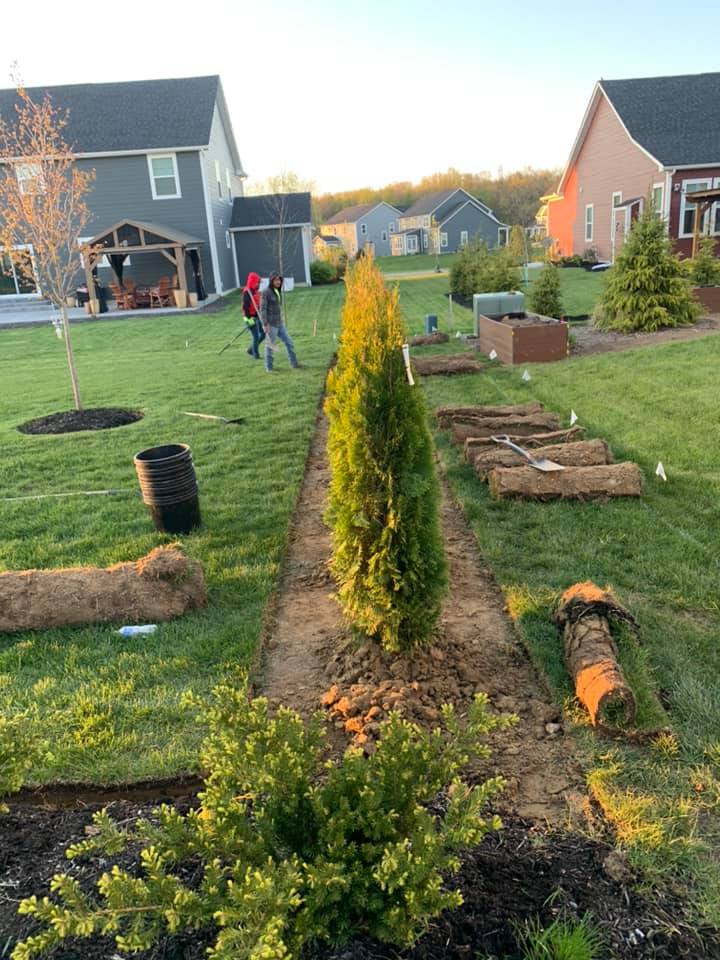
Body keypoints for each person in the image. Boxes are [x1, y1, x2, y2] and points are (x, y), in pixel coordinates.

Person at [261, 273, 301, 372]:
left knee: (289, 342)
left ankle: (294, 363)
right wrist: (265, 324)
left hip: (280, 323)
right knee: (270, 346)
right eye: (275, 280)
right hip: (271, 325)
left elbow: (276, 306)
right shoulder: (266, 292)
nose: (278, 282)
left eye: (279, 280)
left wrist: (281, 316)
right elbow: (263, 309)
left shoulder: (277, 291)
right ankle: (269, 368)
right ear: (271, 281)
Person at [242, 271, 265, 359]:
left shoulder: (256, 291)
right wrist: (250, 320)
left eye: (259, 282)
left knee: (263, 334)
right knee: (255, 336)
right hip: (249, 317)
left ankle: (251, 349)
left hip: (257, 315)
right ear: (253, 282)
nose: (258, 284)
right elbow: (245, 308)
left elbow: (257, 305)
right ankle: (256, 355)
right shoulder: (247, 293)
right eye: (257, 282)